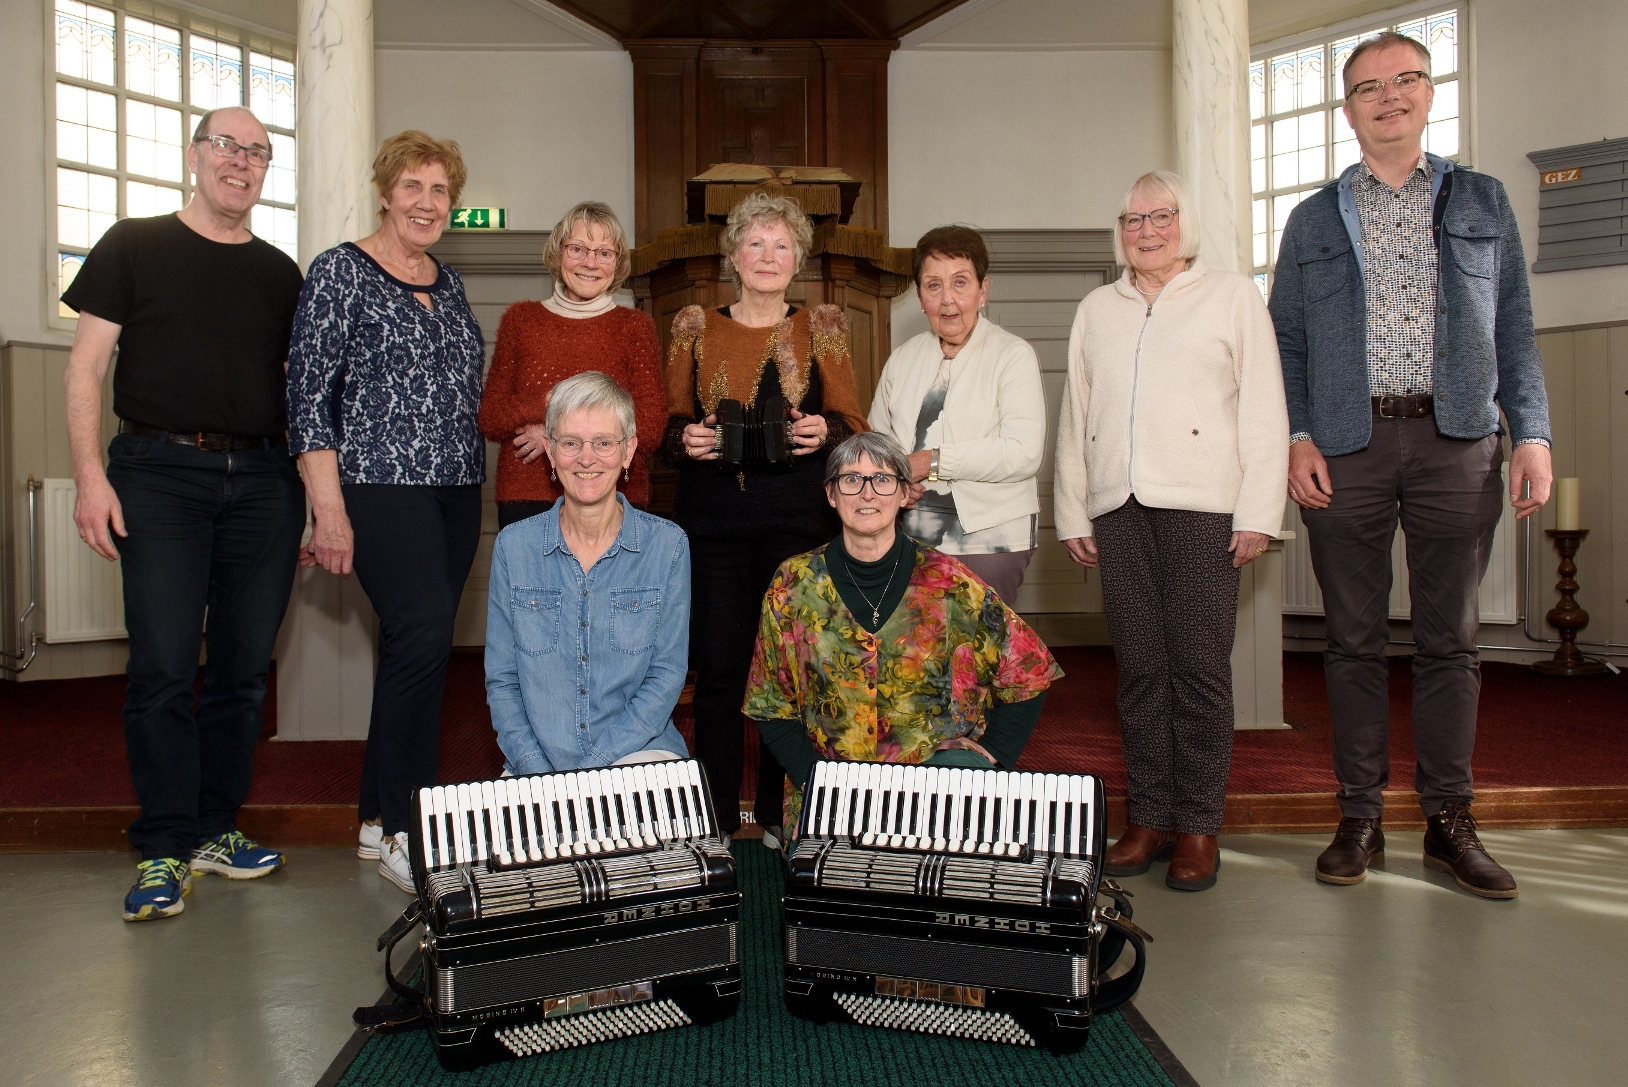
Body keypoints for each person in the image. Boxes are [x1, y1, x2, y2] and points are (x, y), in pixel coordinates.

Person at [1271, 32, 1551, 899]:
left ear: (1429, 94)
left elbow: (1514, 326)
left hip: (1458, 442)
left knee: (1450, 640)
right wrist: (1297, 435)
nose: (1389, 96)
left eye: (1406, 80)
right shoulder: (1312, 219)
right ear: (1347, 109)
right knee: (1351, 641)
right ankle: (1359, 815)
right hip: (1345, 448)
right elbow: (1286, 340)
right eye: (1369, 87)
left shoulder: (1483, 199)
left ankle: (1449, 820)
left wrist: (1532, 434)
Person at [62, 106, 305, 921]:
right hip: (158, 472)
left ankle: (213, 828)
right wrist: (89, 476)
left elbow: (302, 390)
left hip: (265, 479)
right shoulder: (132, 244)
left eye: (258, 151)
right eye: (226, 145)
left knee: (243, 668)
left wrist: (315, 497)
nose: (241, 161)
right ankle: (164, 842)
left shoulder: (281, 273)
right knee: (163, 665)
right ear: (195, 155)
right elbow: (86, 366)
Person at [1054, 170, 1289, 893]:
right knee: (1140, 673)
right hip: (1118, 509)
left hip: (1204, 510)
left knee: (1199, 672)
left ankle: (1198, 825)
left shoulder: (1233, 296)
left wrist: (1258, 511)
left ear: (1186, 223)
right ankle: (1149, 818)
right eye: (1133, 219)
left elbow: (1264, 409)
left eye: (1161, 216)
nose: (1147, 230)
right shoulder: (1097, 309)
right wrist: (1073, 509)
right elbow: (1076, 414)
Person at [286, 131, 486, 893]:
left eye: (440, 190)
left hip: (456, 489)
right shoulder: (339, 271)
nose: (427, 202)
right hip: (377, 483)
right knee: (423, 631)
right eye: (412, 186)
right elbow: (308, 398)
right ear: (383, 192)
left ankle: (375, 815)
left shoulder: (451, 281)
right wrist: (326, 508)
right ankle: (410, 826)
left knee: (417, 648)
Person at [664, 190, 868, 847]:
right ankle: (720, 818)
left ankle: (784, 818)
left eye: (782, 245)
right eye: (755, 242)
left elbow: (852, 422)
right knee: (720, 675)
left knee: (792, 675)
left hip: (798, 524)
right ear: (733, 255)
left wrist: (825, 431)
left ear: (799, 258)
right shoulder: (693, 324)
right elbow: (667, 424)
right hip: (713, 527)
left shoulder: (823, 325)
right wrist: (684, 439)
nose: (768, 255)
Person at [744, 432, 1062, 838]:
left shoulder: (951, 583)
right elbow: (770, 704)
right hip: (833, 793)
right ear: (831, 494)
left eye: (883, 479)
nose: (867, 493)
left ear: (904, 493)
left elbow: (1030, 670)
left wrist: (993, 758)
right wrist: (817, 782)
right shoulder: (792, 584)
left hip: (934, 793)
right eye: (851, 479)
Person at [486, 372, 690, 774]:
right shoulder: (513, 547)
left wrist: (591, 771)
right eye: (570, 443)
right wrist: (535, 770)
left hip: (638, 754)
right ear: (549, 450)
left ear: (628, 450)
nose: (586, 458)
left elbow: (666, 676)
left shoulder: (667, 546)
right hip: (537, 763)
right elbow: (503, 681)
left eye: (603, 443)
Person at [868, 226, 1047, 604]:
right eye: (933, 286)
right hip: (908, 538)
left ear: (983, 291)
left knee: (978, 641)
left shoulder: (1012, 355)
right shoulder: (902, 359)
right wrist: (894, 481)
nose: (948, 299)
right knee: (912, 642)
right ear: (920, 297)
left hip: (991, 540)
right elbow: (877, 445)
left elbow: (1023, 453)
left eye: (960, 283)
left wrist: (928, 462)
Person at [479, 202, 664, 527]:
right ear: (558, 252)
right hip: (529, 498)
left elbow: (649, 429)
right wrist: (545, 402)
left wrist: (557, 435)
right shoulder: (520, 320)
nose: (590, 263)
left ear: (618, 263)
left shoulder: (635, 328)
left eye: (604, 253)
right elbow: (491, 418)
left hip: (614, 499)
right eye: (577, 249)